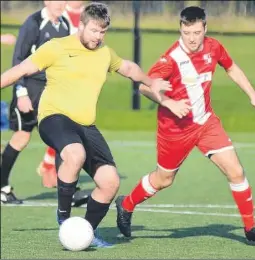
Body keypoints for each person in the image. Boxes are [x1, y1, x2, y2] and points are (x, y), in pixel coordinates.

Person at [0, 2, 171, 248]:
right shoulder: (57, 47)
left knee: (110, 181)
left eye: (103, 32)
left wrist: (151, 81)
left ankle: (85, 232)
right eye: (94, 31)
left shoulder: (104, 52)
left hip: (86, 125)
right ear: (81, 25)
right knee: (75, 154)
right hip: (54, 117)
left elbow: (128, 68)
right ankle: (63, 218)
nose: (98, 37)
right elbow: (20, 69)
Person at [115, 6, 255, 244]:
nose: (192, 38)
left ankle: (250, 228)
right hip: (174, 130)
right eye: (187, 32)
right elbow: (144, 87)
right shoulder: (171, 59)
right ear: (181, 29)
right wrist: (168, 102)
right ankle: (126, 204)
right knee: (164, 180)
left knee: (236, 171)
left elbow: (231, 67)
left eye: (197, 32)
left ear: (205, 28)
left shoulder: (213, 47)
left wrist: (253, 97)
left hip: (206, 123)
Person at [1, 1, 69, 204]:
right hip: (29, 89)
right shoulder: (33, 23)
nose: (60, 4)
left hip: (52, 91)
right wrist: (21, 93)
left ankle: (67, 190)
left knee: (60, 137)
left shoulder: (64, 25)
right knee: (21, 137)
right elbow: (18, 59)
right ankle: (2, 186)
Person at [37, 0, 86, 188]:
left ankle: (52, 164)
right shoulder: (59, 14)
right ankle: (54, 167)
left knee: (73, 121)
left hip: (79, 77)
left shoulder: (88, 14)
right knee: (60, 121)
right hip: (58, 77)